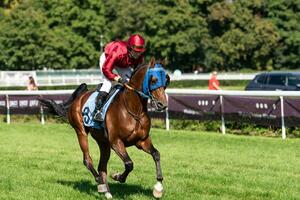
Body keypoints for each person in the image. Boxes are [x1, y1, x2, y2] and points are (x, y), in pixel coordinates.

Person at [94, 34, 146, 121]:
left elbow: (136, 73)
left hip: (122, 63)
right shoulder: (118, 52)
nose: (138, 54)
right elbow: (106, 69)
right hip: (107, 59)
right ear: (130, 48)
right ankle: (98, 111)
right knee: (108, 83)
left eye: (139, 52)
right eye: (135, 51)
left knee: (131, 82)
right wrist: (119, 79)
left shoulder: (139, 56)